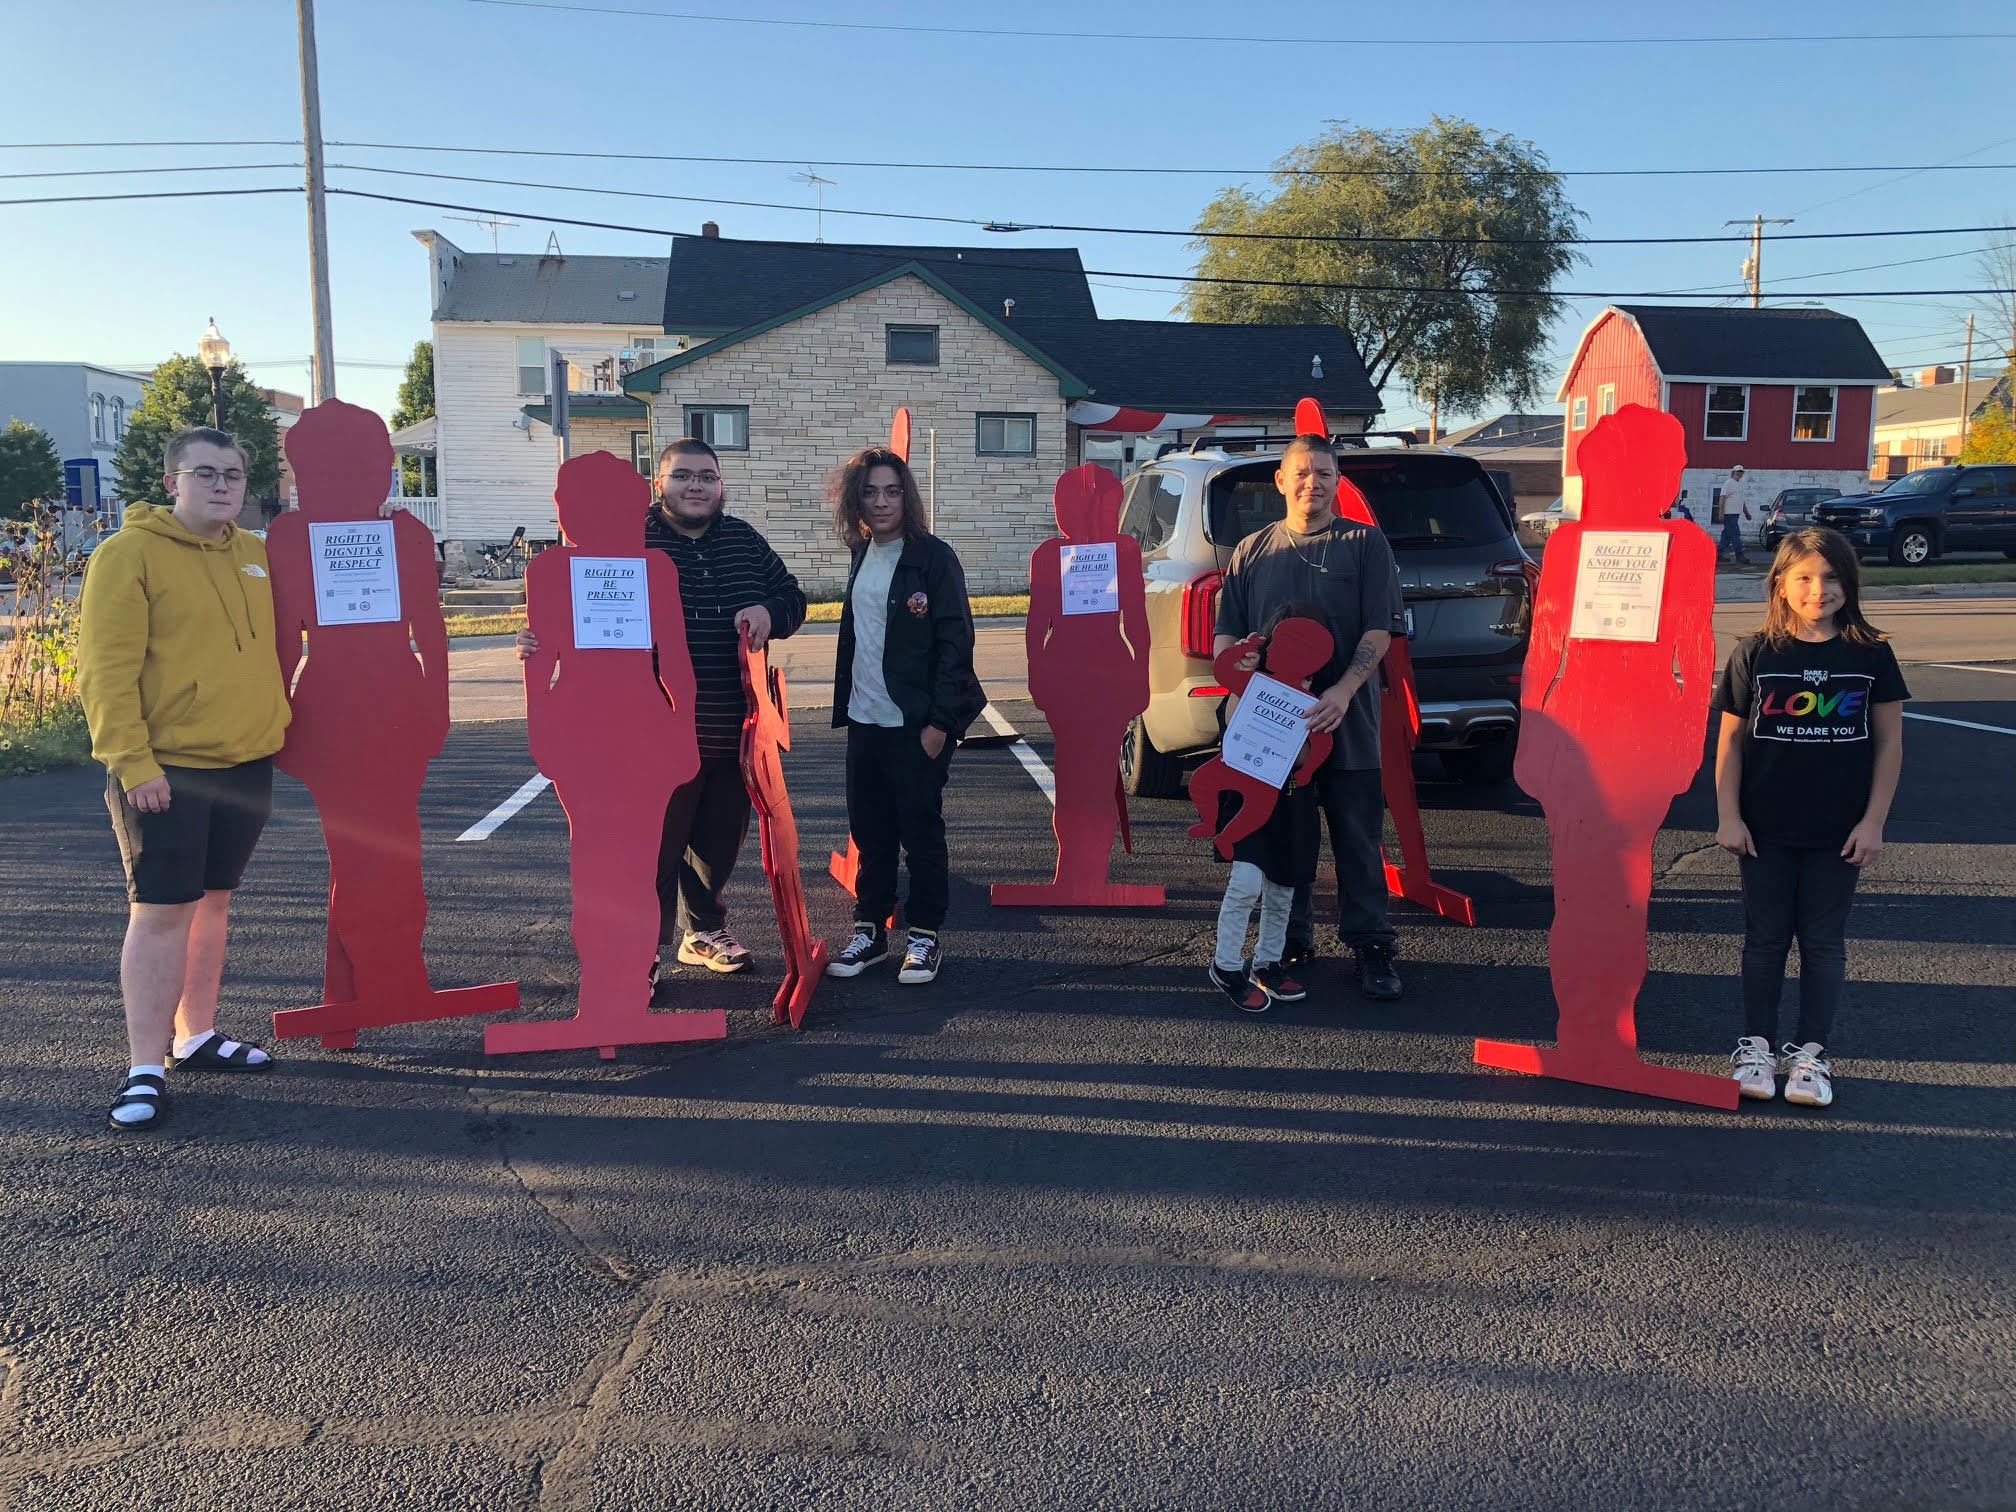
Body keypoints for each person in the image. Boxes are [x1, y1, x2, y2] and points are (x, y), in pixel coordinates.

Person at [517, 438, 806, 984]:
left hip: (731, 723)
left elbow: (794, 595)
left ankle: (703, 931)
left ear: (720, 485)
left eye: (707, 477)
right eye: (683, 476)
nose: (695, 486)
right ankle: (641, 952)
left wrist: (771, 611)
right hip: (648, 729)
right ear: (660, 484)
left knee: (718, 844)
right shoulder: (630, 540)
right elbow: (569, 609)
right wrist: (536, 641)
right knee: (652, 847)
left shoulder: (744, 540)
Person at [78, 427, 292, 1131]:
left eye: (234, 474)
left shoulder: (258, 557)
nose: (223, 485)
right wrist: (132, 762)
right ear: (173, 482)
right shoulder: (128, 554)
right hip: (164, 768)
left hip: (244, 762)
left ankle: (194, 1036)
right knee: (162, 913)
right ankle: (145, 1067)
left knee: (213, 905)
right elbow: (104, 672)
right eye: (206, 474)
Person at [1712, 526, 1907, 1109]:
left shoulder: (1871, 654)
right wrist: (1728, 815)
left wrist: (1873, 821)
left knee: (1823, 943)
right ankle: (1756, 1047)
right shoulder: (1755, 653)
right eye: (1804, 577)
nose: (1817, 589)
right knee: (1765, 940)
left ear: (1849, 585)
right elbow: (1729, 745)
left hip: (1839, 832)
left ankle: (1811, 1056)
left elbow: (1890, 745)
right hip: (1764, 830)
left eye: (1830, 578)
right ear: (1780, 583)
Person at [1213, 434, 1408, 999]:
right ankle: (1289, 942)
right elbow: (1229, 631)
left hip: (1344, 718)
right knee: (1287, 838)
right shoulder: (1253, 551)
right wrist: (1239, 664)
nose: (1312, 484)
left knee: (1356, 837)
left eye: (1323, 473)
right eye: (1301, 473)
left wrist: (1345, 691)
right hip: (1275, 730)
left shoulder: (1365, 545)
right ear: (1281, 480)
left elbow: (1379, 631)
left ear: (1336, 480)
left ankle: (1372, 944)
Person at [823, 445, 984, 985]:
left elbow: (955, 645)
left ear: (906, 496)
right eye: (870, 492)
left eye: (892, 491)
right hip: (865, 721)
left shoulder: (934, 558)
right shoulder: (861, 552)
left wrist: (940, 725)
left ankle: (924, 936)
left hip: (917, 725)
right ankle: (869, 930)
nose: (881, 501)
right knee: (870, 833)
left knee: (921, 834)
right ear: (856, 500)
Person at [1205, 605, 1331, 1014]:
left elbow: (1309, 759)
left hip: (1292, 803)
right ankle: (1226, 965)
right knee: (1245, 883)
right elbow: (1229, 719)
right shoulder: (1249, 685)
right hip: (1248, 800)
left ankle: (1268, 963)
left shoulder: (1317, 699)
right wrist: (1246, 669)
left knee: (1283, 890)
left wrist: (1306, 716)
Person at [1718, 465, 1753, 565]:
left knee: (1726, 535)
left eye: (1741, 472)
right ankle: (1739, 555)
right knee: (1735, 534)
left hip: (1735, 514)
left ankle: (1718, 554)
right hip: (1729, 514)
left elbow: (1741, 501)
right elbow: (1722, 498)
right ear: (1733, 472)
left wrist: (1746, 513)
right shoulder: (1728, 483)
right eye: (1737, 471)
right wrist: (1721, 513)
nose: (1739, 473)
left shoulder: (1738, 484)